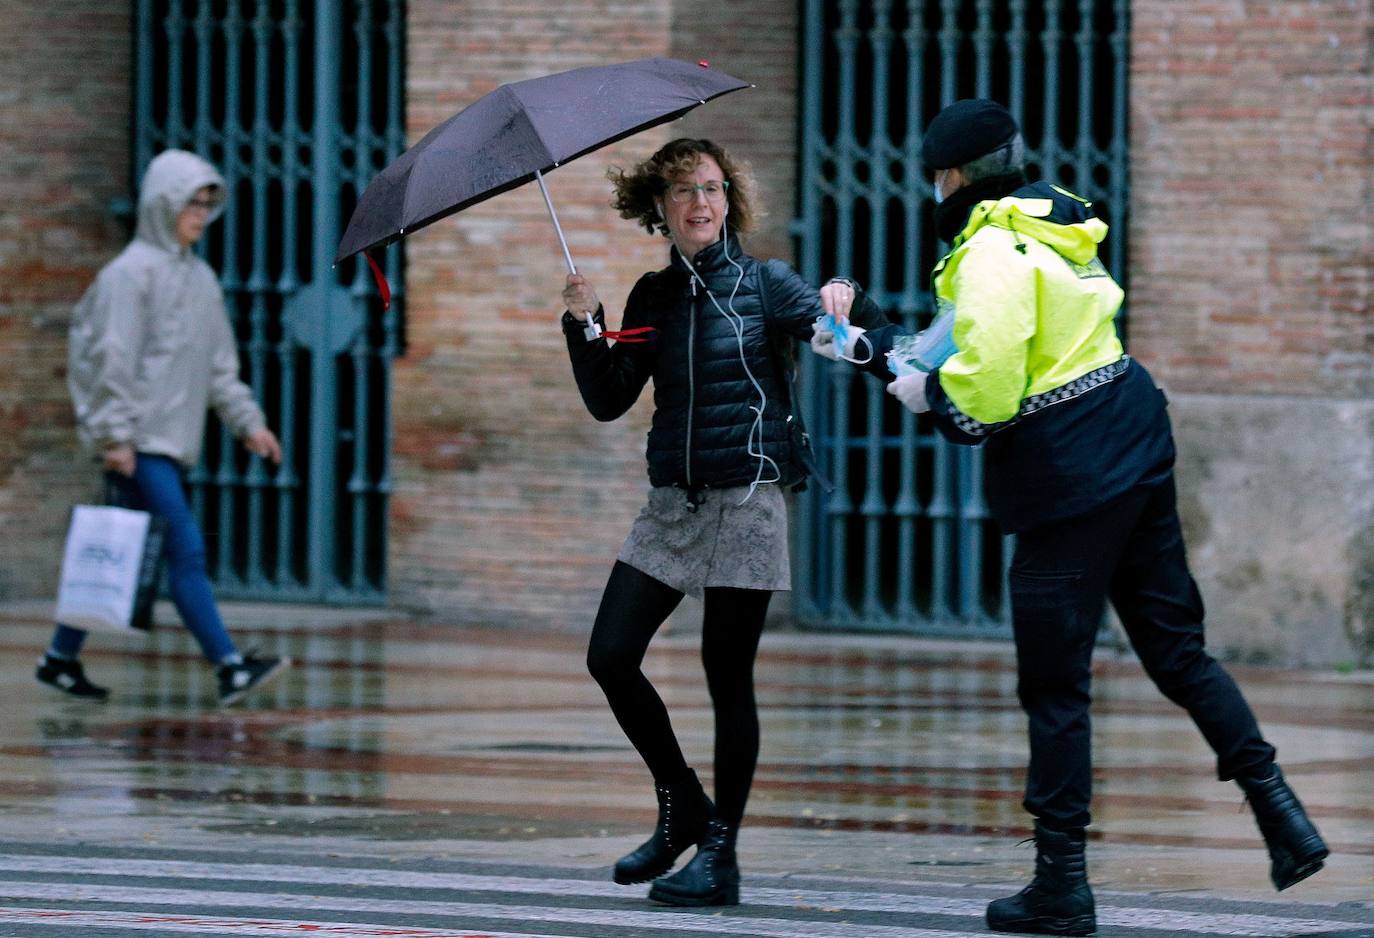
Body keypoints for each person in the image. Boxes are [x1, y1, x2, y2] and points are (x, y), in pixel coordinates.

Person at [813, 100, 1328, 936]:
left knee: (1055, 685)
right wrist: (872, 337)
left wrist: (919, 392)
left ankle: (1062, 883)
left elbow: (981, 393)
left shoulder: (990, 254)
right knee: (1178, 651)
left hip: (1067, 479)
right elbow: (956, 344)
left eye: (936, 178)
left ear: (951, 178)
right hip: (1133, 441)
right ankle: (1281, 814)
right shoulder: (1054, 232)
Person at [561, 138, 870, 907]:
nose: (700, 203)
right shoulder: (652, 298)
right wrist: (585, 324)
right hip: (674, 504)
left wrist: (844, 295)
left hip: (748, 497)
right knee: (610, 654)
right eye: (682, 191)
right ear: (658, 209)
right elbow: (609, 398)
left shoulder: (766, 285)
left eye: (711, 188)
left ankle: (721, 851)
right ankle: (682, 806)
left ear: (729, 199)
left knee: (726, 677)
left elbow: (836, 338)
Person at [37, 149, 290, 708]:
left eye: (207, 204)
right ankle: (229, 666)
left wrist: (250, 424)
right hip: (140, 441)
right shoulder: (127, 277)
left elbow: (220, 366)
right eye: (190, 203)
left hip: (170, 441)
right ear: (162, 204)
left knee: (110, 550)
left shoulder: (201, 279)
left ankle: (59, 658)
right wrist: (115, 437)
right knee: (186, 550)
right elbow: (111, 360)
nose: (199, 215)